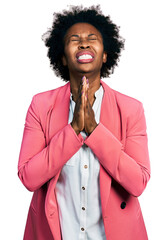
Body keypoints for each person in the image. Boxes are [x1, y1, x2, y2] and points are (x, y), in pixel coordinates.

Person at [18, 5, 151, 240]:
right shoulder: (41, 106)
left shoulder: (131, 109)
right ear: (63, 57)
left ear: (105, 55)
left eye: (92, 39)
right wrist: (73, 131)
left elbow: (138, 183)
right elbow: (28, 177)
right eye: (74, 39)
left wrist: (95, 131)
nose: (83, 44)